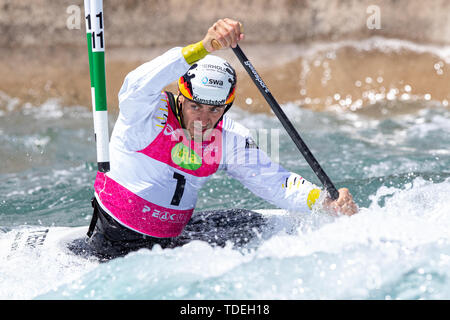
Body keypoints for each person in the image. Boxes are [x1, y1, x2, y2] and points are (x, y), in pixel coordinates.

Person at [83, 18, 358, 260]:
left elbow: (274, 182)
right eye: (196, 107)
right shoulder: (144, 114)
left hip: (169, 242)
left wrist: (323, 200)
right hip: (115, 240)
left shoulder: (229, 138)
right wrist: (203, 47)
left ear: (226, 107)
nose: (203, 119)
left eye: (214, 110)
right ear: (181, 97)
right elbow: (138, 82)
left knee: (248, 220)